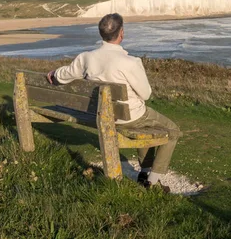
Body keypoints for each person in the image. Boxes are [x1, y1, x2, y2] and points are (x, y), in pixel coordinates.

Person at [46, 13, 180, 192]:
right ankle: (152, 181)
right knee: (172, 130)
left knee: (147, 128)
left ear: (101, 34)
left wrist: (54, 74)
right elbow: (146, 94)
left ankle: (145, 171)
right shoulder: (130, 62)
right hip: (129, 117)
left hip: (101, 114)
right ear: (121, 33)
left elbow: (64, 75)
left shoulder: (86, 58)